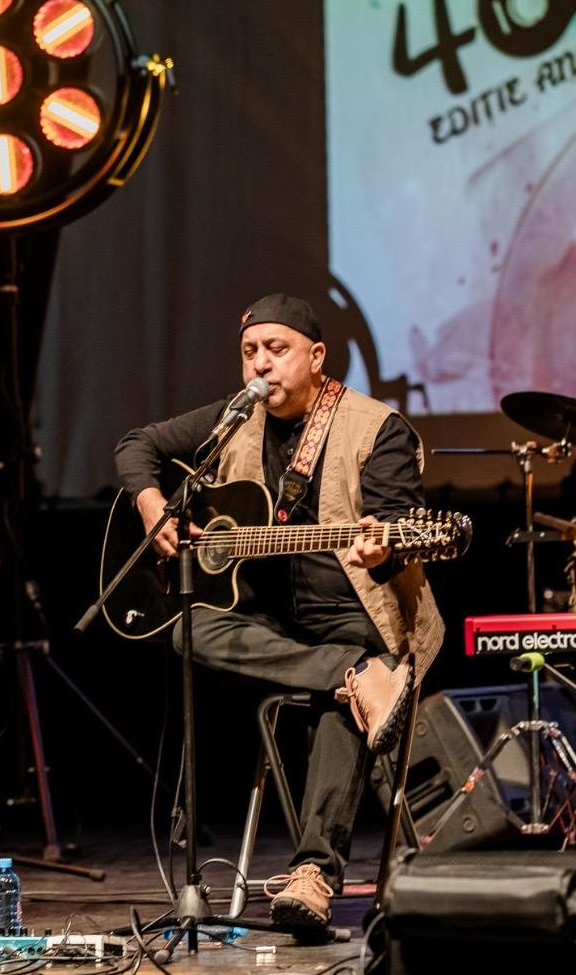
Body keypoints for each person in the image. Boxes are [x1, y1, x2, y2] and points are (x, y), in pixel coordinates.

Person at [114, 293, 443, 932]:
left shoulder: (379, 428)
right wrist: (152, 503)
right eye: (249, 352)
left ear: (315, 357)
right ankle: (352, 675)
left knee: (341, 703)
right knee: (187, 629)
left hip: (358, 616)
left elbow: (398, 527)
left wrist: (383, 548)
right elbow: (137, 444)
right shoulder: (235, 418)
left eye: (276, 349)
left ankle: (312, 873)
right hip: (272, 620)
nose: (260, 364)